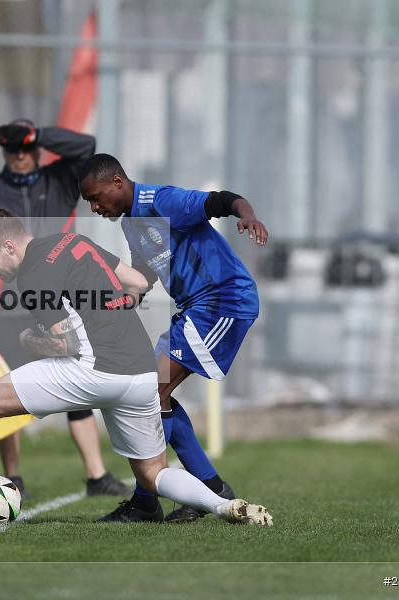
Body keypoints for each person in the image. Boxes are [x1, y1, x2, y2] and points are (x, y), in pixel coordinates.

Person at [0, 209, 272, 526]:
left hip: (95, 368)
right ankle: (224, 505)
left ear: (8, 247)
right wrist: (109, 313)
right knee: (152, 473)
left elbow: (64, 343)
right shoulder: (73, 241)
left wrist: (27, 340)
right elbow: (135, 282)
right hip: (142, 370)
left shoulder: (32, 275)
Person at [78, 153, 268, 522]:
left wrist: (247, 215)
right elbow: (145, 275)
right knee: (152, 389)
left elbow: (220, 200)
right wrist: (121, 299)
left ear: (118, 182)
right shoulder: (131, 223)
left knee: (152, 389)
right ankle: (210, 489)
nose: (95, 206)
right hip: (195, 308)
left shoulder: (161, 201)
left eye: (97, 197)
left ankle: (146, 499)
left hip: (223, 301)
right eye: (89, 201)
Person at [0, 119, 129, 498]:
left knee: (78, 380)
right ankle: (13, 478)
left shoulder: (58, 179)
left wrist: (40, 133)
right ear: (2, 151)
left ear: (36, 148)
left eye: (27, 148)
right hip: (7, 308)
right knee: (6, 390)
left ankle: (96, 475)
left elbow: (86, 146)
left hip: (61, 301)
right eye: (13, 149)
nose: (21, 156)